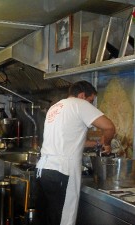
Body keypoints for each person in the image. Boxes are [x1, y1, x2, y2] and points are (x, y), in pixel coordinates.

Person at [34, 81, 115, 225]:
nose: (91, 105)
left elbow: (73, 140)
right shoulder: (80, 104)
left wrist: (98, 143)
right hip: (63, 172)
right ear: (82, 95)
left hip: (44, 170)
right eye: (91, 101)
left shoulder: (55, 107)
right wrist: (107, 144)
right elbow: (109, 127)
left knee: (48, 218)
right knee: (64, 219)